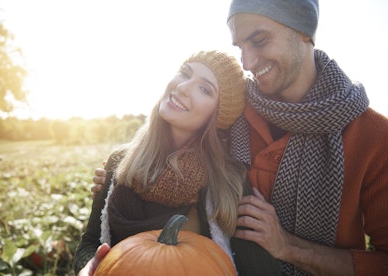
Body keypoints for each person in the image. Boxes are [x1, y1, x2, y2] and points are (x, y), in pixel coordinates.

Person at [90, 0, 388, 275]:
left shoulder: (373, 137)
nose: (247, 62)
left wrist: (290, 247)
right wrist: (119, 175)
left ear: (304, 31)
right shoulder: (234, 111)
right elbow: (178, 144)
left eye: (259, 41)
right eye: (240, 46)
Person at [74, 50, 281, 275]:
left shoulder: (229, 181)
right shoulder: (120, 162)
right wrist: (89, 266)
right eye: (185, 73)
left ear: (218, 114)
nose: (183, 87)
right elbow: (90, 243)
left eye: (205, 89)